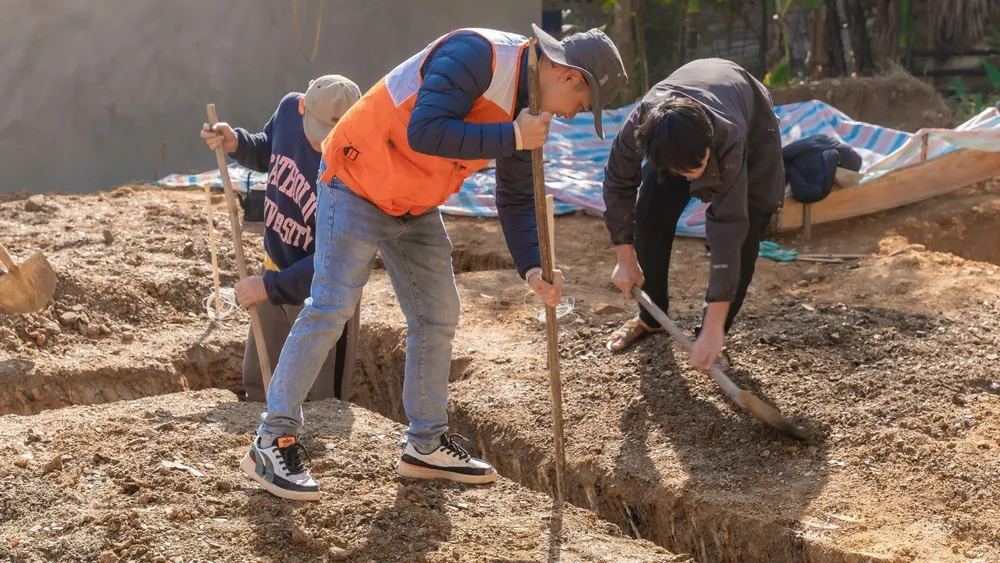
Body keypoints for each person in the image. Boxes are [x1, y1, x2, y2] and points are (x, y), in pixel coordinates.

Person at [239, 24, 626, 501]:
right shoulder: (477, 55)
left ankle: (424, 444)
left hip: (414, 202)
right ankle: (272, 439)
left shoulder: (527, 109)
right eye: (582, 106)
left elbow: (516, 196)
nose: (571, 115)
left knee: (438, 313)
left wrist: (531, 267)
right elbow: (425, 130)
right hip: (357, 180)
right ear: (571, 77)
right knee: (330, 307)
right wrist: (511, 135)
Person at [602, 58, 784, 374]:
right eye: (683, 171)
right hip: (677, 127)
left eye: (698, 166)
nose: (693, 176)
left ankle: (713, 336)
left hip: (750, 120)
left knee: (745, 236)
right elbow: (618, 182)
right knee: (650, 213)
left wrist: (714, 326)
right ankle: (651, 317)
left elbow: (728, 229)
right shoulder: (640, 127)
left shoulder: (728, 138)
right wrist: (625, 256)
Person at [199, 75, 363, 403]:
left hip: (324, 297)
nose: (324, 145)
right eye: (318, 134)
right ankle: (259, 447)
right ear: (302, 106)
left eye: (334, 136)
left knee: (320, 398)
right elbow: (268, 149)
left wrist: (268, 287)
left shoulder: (355, 171)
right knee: (260, 382)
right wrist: (238, 144)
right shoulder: (289, 111)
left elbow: (333, 263)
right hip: (275, 267)